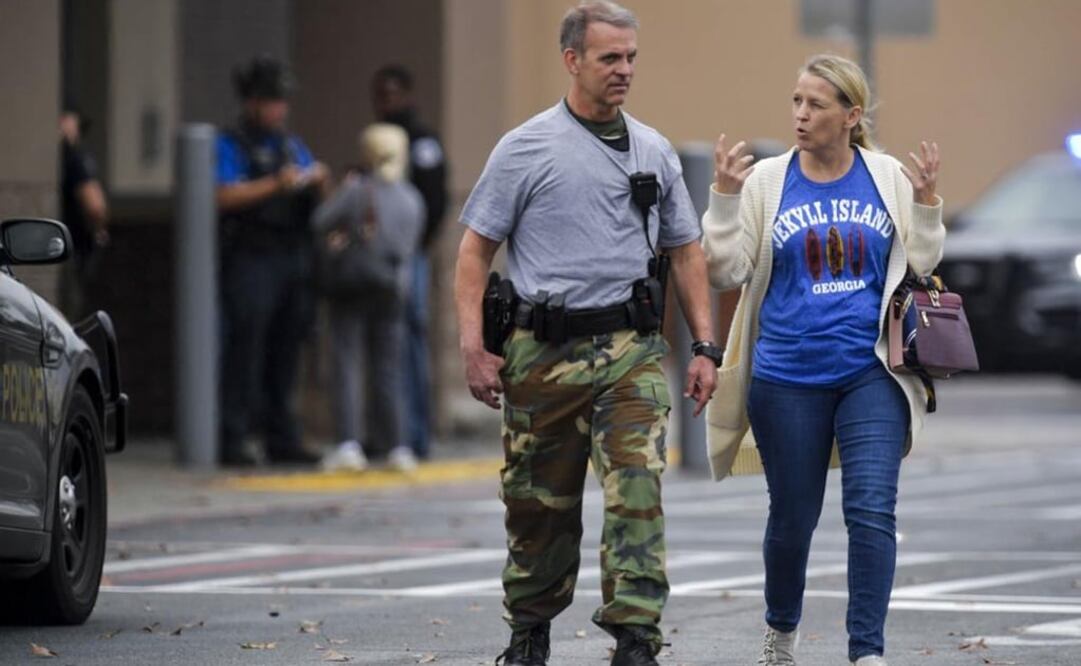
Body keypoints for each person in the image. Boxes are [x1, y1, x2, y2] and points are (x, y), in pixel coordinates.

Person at [454, 3, 719, 664]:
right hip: (540, 354)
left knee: (637, 487)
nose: (624, 70)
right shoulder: (525, 147)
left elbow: (686, 252)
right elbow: (472, 251)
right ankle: (529, 632)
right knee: (538, 504)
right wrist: (472, 345)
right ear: (572, 60)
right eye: (609, 58)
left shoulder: (652, 149)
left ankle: (635, 637)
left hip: (628, 353)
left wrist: (705, 346)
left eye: (630, 57)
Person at [701, 54, 944, 666]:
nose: (801, 115)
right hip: (787, 377)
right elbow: (726, 270)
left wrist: (927, 205)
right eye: (796, 101)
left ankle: (867, 651)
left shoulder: (885, 176)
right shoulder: (768, 182)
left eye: (815, 104)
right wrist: (725, 201)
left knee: (870, 510)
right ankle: (781, 631)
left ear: (850, 115)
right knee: (793, 520)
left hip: (870, 372)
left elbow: (919, 265)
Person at [216, 55, 329, 467]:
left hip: (290, 257)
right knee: (245, 349)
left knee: (286, 349)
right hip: (251, 257)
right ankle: (235, 436)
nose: (279, 110)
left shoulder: (289, 144)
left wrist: (318, 181)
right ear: (252, 103)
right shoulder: (231, 143)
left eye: (283, 102)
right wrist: (273, 185)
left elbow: (312, 187)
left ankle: (283, 437)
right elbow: (222, 196)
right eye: (271, 101)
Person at [316, 124, 425, 472]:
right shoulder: (412, 198)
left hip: (353, 285)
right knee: (389, 369)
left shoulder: (358, 190)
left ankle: (349, 443)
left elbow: (320, 221)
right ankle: (398, 445)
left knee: (347, 362)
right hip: (393, 289)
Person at [372, 64, 448, 464]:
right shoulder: (379, 139)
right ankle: (389, 432)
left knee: (411, 339)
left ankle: (416, 433)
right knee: (386, 344)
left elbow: (435, 199)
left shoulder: (421, 141)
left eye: (393, 94)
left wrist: (417, 245)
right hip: (380, 254)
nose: (386, 103)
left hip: (411, 253)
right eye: (380, 95)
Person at [58, 106, 109, 319]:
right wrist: (99, 229)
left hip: (72, 247)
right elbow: (95, 205)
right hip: (71, 249)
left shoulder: (71, 157)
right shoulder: (73, 157)